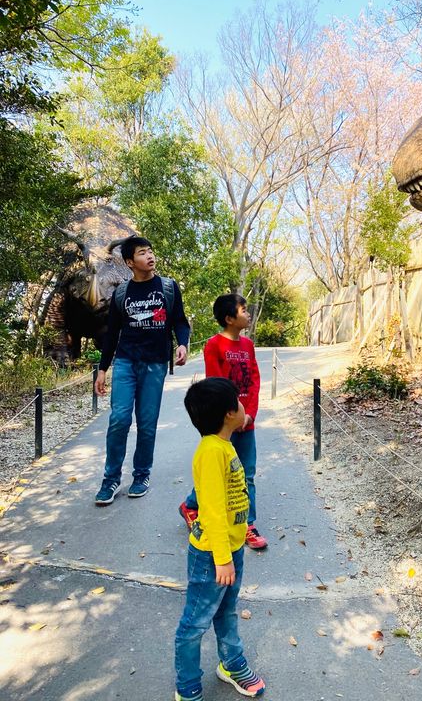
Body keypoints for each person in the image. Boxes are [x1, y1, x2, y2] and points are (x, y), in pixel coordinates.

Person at [174, 377, 266, 701]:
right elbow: (211, 510)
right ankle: (187, 685)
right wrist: (222, 559)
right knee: (194, 622)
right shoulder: (212, 452)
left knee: (226, 611)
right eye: (239, 402)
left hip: (231, 547)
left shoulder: (224, 445)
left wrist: (231, 552)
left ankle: (231, 664)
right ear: (229, 414)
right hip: (212, 556)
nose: (244, 406)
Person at [94, 235, 190, 505]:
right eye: (142, 253)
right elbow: (112, 334)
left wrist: (182, 344)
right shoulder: (121, 293)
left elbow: (180, 321)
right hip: (125, 362)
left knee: (147, 424)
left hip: (155, 364)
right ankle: (111, 479)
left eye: (150, 251)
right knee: (119, 420)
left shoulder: (168, 288)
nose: (150, 256)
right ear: (129, 262)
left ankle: (141, 475)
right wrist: (102, 369)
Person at [179, 294, 268, 550]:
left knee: (247, 473)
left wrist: (249, 414)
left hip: (246, 421)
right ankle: (191, 504)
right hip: (224, 424)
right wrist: (232, 416)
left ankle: (248, 524)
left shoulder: (248, 345)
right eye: (243, 310)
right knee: (219, 471)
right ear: (229, 318)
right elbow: (216, 385)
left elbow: (254, 381)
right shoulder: (214, 345)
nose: (248, 313)